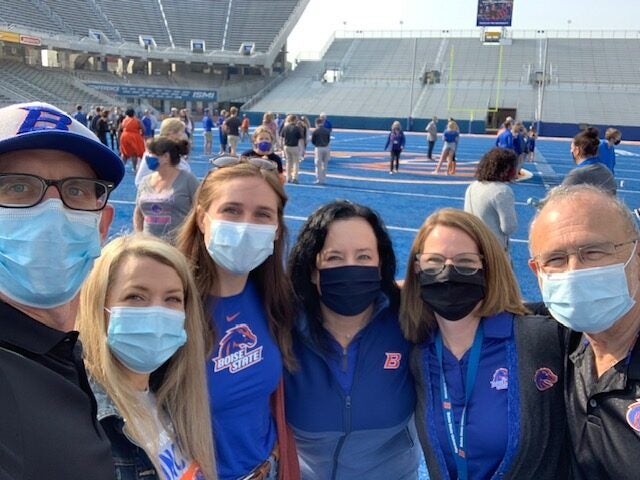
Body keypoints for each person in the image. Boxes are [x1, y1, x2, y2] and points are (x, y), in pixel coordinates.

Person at [0, 101, 124, 479]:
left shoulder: (68, 349)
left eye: (77, 190)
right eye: (17, 186)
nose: (53, 211)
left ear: (101, 227)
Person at [400, 208, 569, 480]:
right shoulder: (418, 352)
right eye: (434, 262)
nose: (447, 273)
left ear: (488, 268)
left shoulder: (541, 338)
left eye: (466, 263)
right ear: (417, 269)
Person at [176, 161, 299, 480]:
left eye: (262, 214)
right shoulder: (170, 304)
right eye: (231, 210)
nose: (246, 225)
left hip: (267, 470)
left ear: (276, 229)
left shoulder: (277, 300)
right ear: (203, 219)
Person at [285, 200, 420, 479]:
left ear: (380, 265)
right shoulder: (282, 329)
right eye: (335, 257)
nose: (351, 268)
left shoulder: (411, 322)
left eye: (363, 257)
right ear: (312, 269)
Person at [76, 234, 217, 480]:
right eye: (136, 297)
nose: (156, 312)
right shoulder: (85, 425)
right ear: (99, 306)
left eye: (172, 299)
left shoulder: (174, 398)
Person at [528, 184, 640, 479]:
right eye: (555, 259)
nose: (574, 271)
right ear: (537, 272)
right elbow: (489, 305)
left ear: (637, 254)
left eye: (593, 251)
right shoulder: (561, 337)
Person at [134, 137, 199, 243]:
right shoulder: (145, 181)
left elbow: (201, 210)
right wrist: (139, 236)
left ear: (165, 157)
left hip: (179, 245)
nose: (147, 158)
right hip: (149, 245)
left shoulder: (188, 180)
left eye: (151, 154)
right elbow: (138, 213)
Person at [464, 147, 518, 252]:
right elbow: (509, 227)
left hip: (473, 243)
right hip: (494, 248)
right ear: (506, 169)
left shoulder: (473, 186)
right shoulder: (502, 191)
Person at [135, 117, 192, 187]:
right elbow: (140, 181)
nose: (184, 135)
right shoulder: (154, 153)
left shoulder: (173, 150)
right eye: (182, 132)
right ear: (171, 134)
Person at [564, 127, 617, 195]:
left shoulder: (577, 174)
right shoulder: (608, 173)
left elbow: (559, 200)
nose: (571, 151)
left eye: (572, 148)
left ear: (577, 150)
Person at [119, 107, 146, 172]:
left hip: (124, 136)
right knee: (134, 153)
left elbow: (120, 129)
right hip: (134, 137)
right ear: (133, 113)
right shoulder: (137, 120)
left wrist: (119, 138)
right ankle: (134, 168)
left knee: (124, 153)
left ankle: (120, 167)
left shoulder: (124, 120)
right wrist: (141, 135)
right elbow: (143, 129)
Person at [281, 114, 303, 183]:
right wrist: (301, 148)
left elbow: (282, 137)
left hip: (286, 146)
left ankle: (288, 177)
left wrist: (281, 146)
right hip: (294, 146)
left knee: (288, 162)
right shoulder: (297, 128)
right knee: (296, 163)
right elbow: (300, 139)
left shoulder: (285, 127)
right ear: (294, 120)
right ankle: (295, 178)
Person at [311, 116, 331, 184]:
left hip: (319, 148)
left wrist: (316, 144)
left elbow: (313, 140)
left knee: (318, 164)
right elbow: (328, 140)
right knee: (324, 164)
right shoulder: (327, 131)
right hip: (326, 147)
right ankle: (323, 179)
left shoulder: (315, 131)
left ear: (316, 123)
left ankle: (319, 179)